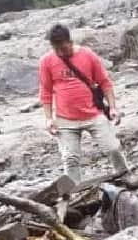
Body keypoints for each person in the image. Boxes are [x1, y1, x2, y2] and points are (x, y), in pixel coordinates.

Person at [39, 24, 128, 185]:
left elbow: (105, 82)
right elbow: (45, 91)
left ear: (70, 41)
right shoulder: (46, 61)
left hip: (93, 114)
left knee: (113, 148)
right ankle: (75, 193)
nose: (60, 53)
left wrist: (113, 107)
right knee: (70, 158)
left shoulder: (87, 55)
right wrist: (48, 119)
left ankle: (124, 177)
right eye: (56, 49)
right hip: (65, 119)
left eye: (63, 48)